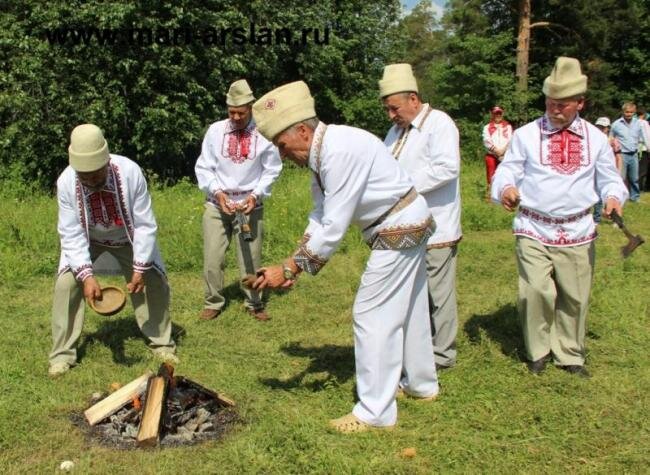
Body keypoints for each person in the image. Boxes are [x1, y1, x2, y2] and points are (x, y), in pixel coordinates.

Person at [250, 81, 439, 433]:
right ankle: (421, 385)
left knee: (372, 315)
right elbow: (320, 215)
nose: (282, 154)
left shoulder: (338, 151)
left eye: (282, 145)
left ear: (303, 131)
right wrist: (293, 265)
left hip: (398, 227)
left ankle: (375, 412)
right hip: (406, 221)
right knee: (410, 309)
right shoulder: (324, 152)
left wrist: (290, 267)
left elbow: (335, 225)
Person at [491, 57, 628, 378]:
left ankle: (569, 354)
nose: (555, 109)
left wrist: (612, 197)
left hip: (578, 228)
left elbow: (610, 179)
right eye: (551, 103)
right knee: (536, 291)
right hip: (533, 226)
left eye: (563, 105)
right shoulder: (526, 135)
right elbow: (507, 170)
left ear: (580, 102)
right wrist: (507, 187)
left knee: (574, 295)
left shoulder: (596, 139)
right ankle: (538, 350)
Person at [49, 124, 178, 377]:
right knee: (66, 285)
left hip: (127, 238)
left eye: (96, 174)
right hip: (88, 239)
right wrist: (86, 276)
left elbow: (144, 223)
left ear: (106, 161)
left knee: (153, 280)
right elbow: (71, 233)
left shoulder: (130, 172)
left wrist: (139, 267)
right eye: (84, 176)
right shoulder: (66, 182)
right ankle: (62, 355)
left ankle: (162, 342)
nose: (91, 180)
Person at [380, 63, 462, 370]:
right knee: (412, 294)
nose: (391, 115)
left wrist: (403, 186)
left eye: (394, 108)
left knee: (439, 295)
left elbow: (447, 168)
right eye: (388, 110)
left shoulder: (439, 123)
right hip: (404, 227)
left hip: (437, 227)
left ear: (413, 99)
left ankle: (443, 356)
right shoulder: (395, 131)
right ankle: (417, 346)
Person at [195, 80, 282, 321]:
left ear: (251, 108)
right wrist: (218, 192)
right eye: (231, 112)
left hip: (250, 203)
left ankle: (254, 303)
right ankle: (213, 301)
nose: (235, 117)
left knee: (251, 257)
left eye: (241, 113)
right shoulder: (215, 131)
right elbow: (204, 167)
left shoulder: (264, 133)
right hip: (217, 202)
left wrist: (256, 195)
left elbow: (272, 169)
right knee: (213, 256)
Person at [610, 102, 647, 202]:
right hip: (622, 154)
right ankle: (620, 197)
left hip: (634, 154)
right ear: (623, 112)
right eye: (627, 112)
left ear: (634, 112)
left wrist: (648, 148)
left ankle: (635, 197)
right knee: (621, 178)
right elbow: (611, 137)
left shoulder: (638, 123)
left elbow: (645, 136)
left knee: (634, 178)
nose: (629, 114)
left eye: (631, 112)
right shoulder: (616, 124)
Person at [592, 117, 623, 223]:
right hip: (597, 171)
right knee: (598, 195)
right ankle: (597, 217)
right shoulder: (593, 140)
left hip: (610, 171)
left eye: (603, 127)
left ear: (608, 128)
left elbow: (619, 157)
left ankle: (616, 218)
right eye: (598, 127)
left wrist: (618, 171)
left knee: (613, 195)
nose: (600, 129)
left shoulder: (613, 141)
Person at [482, 105, 513, 188]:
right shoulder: (487, 127)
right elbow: (486, 141)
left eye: (499, 113)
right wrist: (496, 151)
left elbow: (511, 140)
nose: (498, 115)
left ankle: (503, 191)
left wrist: (503, 151)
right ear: (492, 114)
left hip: (505, 155)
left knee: (505, 174)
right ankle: (490, 192)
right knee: (491, 174)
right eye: (496, 114)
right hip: (492, 155)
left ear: (502, 114)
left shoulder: (508, 126)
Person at [636, 108, 650, 191]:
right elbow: (646, 135)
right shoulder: (644, 123)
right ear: (644, 115)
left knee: (638, 168)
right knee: (643, 169)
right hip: (643, 147)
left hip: (636, 147)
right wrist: (649, 147)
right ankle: (640, 187)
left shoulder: (634, 122)